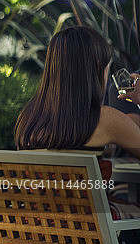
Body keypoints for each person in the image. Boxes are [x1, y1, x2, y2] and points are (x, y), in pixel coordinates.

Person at [15, 25, 140, 221]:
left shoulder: (27, 118)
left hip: (41, 231)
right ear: (98, 68)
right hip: (90, 232)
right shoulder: (105, 118)